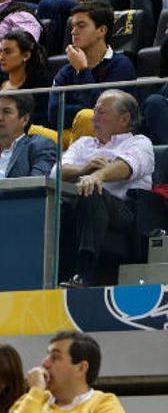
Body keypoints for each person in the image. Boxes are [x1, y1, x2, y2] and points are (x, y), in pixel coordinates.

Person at [57, 90, 154, 287]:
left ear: (125, 118)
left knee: (92, 191)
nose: (94, 117)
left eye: (101, 112)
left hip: (122, 211)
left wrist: (97, 176)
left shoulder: (139, 142)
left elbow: (128, 166)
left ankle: (84, 273)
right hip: (77, 204)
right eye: (95, 111)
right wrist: (84, 169)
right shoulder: (83, 144)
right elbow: (55, 173)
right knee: (53, 203)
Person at [48, 1, 136, 147]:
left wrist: (83, 71)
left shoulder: (121, 65)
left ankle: (72, 168)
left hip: (109, 139)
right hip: (68, 135)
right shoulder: (66, 70)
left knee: (87, 117)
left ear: (101, 30)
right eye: (73, 26)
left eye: (81, 26)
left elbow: (107, 115)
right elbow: (53, 114)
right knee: (27, 131)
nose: (73, 31)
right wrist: (84, 106)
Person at [10, 331, 127, 413]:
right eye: (47, 356)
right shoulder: (32, 398)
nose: (45, 363)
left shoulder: (104, 405)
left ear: (81, 368)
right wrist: (35, 392)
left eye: (55, 357)